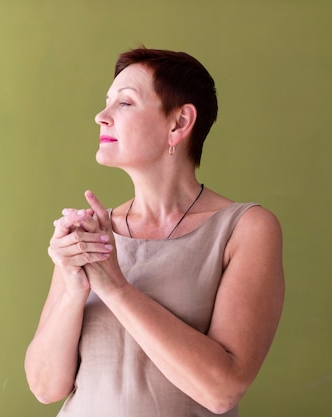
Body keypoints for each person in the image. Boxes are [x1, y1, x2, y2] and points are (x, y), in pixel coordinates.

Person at [24, 47, 284, 417]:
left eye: (125, 103)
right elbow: (45, 387)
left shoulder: (247, 229)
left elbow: (221, 390)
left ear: (178, 123)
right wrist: (72, 289)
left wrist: (115, 288)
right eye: (107, 102)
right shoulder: (92, 232)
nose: (101, 116)